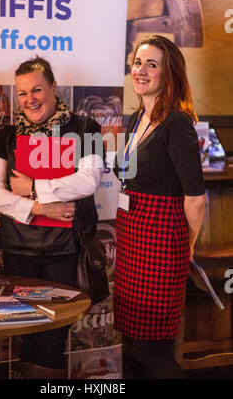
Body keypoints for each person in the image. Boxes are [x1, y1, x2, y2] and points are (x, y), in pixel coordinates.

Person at [0, 57, 104, 379]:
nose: (30, 99)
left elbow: (89, 180)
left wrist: (33, 187)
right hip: (19, 248)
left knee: (53, 336)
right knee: (27, 332)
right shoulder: (7, 137)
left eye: (37, 89)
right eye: (22, 93)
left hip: (65, 249)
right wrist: (39, 207)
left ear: (53, 88)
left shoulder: (85, 128)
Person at [113, 35, 206, 379]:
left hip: (162, 245)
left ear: (169, 74)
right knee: (130, 347)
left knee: (149, 349)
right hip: (132, 243)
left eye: (152, 64)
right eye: (138, 62)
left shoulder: (177, 123)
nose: (141, 70)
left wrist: (187, 246)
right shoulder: (134, 119)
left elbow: (195, 198)